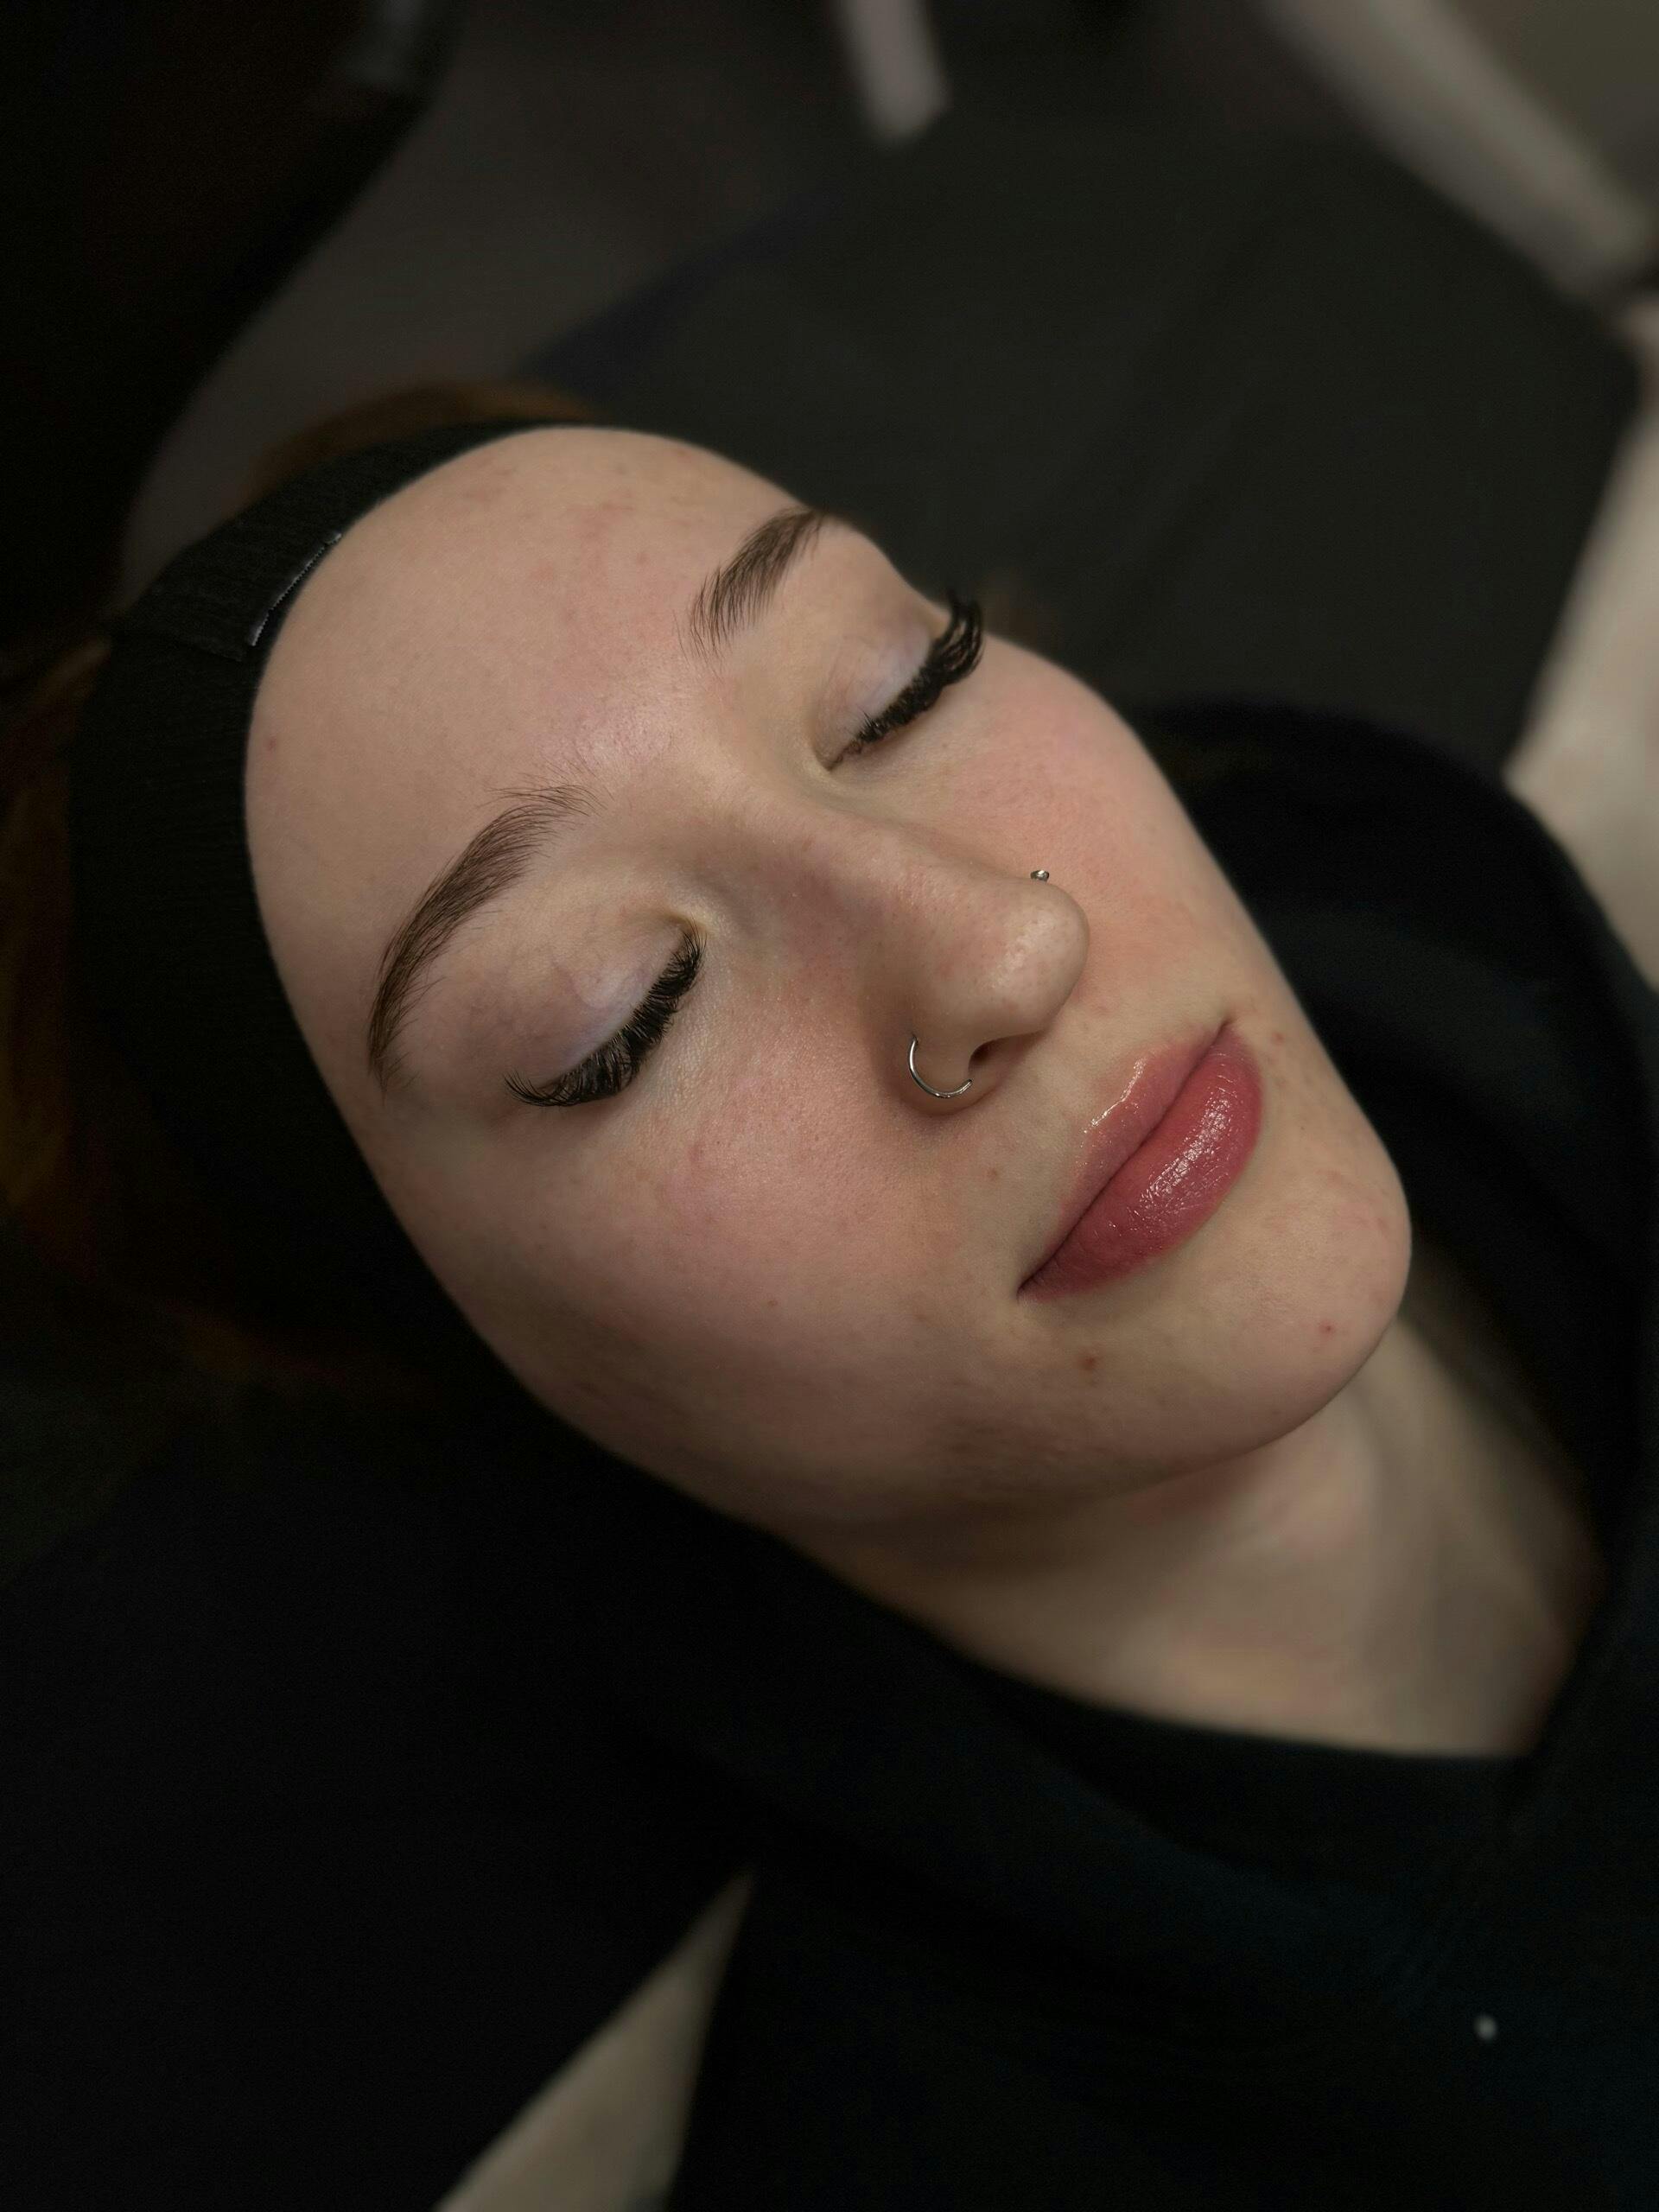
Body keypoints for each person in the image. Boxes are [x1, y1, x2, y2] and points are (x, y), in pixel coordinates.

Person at [22, 387, 1659, 2209]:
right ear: (466, 1339)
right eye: (624, 1017)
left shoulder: (1508, 931)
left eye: (901, 687)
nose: (1006, 941)